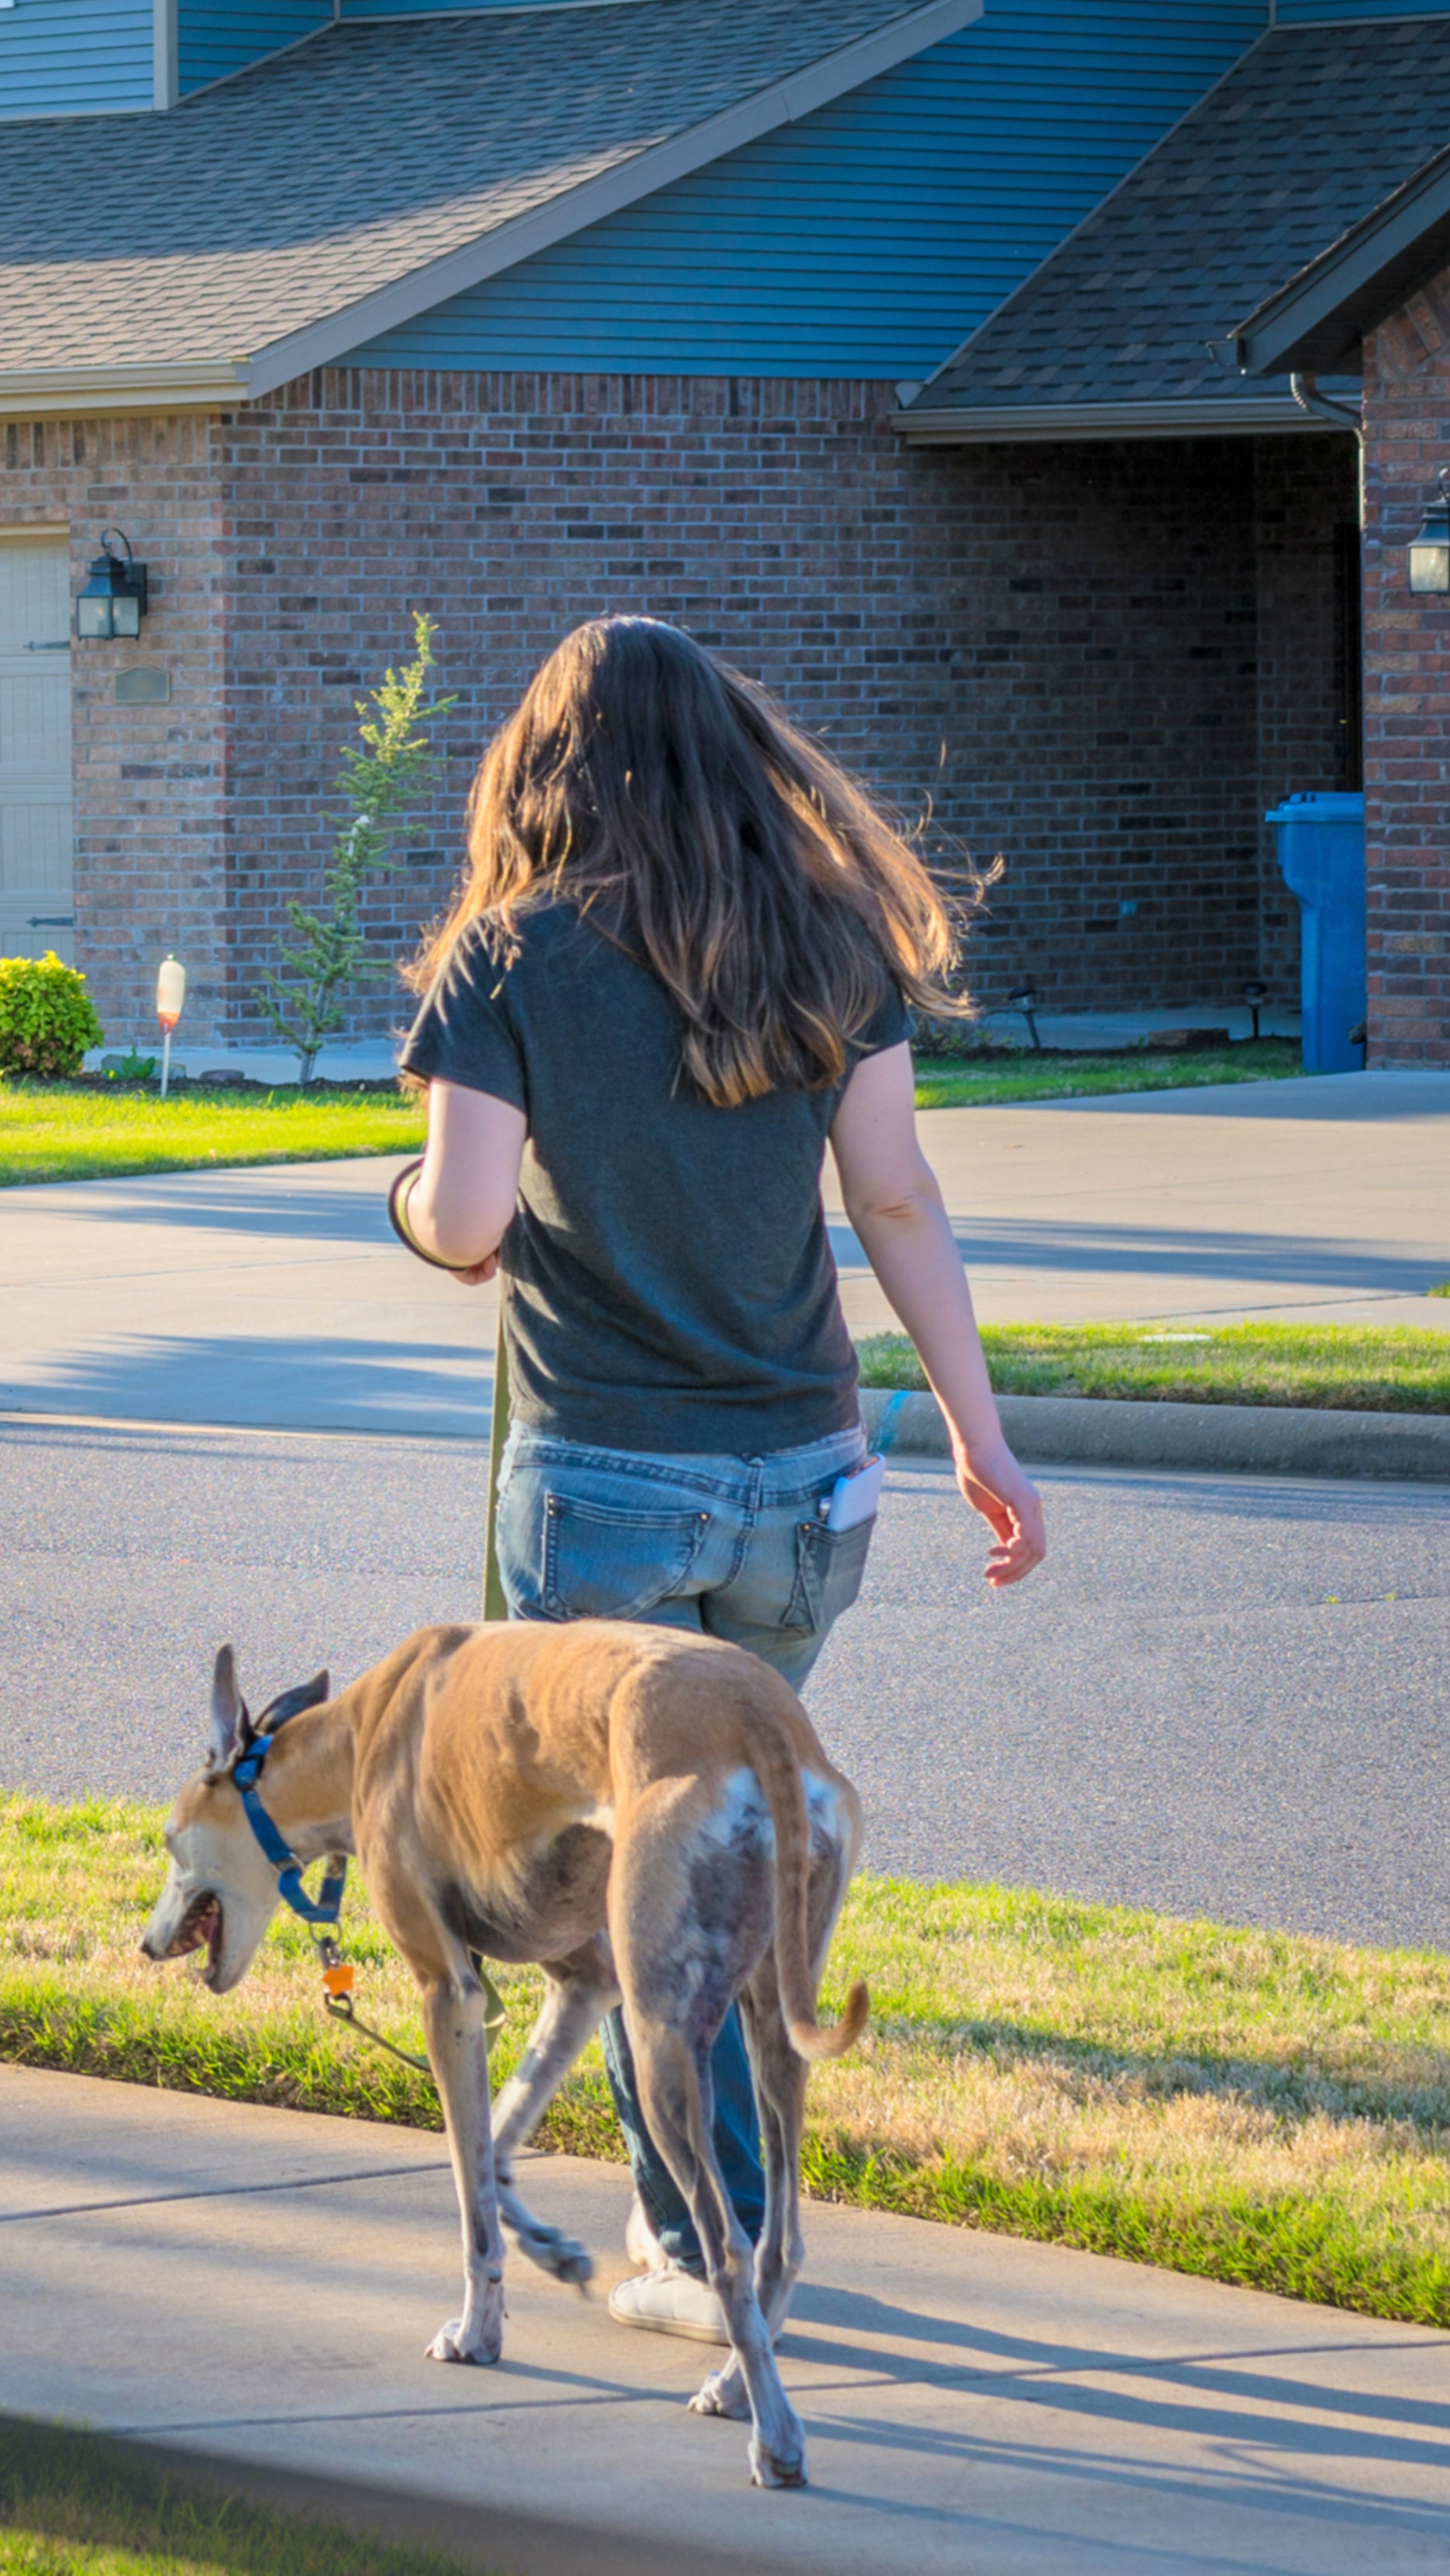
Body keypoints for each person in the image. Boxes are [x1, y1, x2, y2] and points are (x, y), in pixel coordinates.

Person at [386, 614, 1045, 2345]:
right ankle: (712, 2213)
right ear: (739, 758)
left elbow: (460, 1221)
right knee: (718, 1867)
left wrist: (402, 1202)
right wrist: (983, 1435)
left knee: (640, 1890)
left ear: (542, 767)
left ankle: (707, 2235)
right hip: (807, 1499)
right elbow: (894, 1200)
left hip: (601, 1482)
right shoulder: (825, 938)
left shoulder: (503, 956)